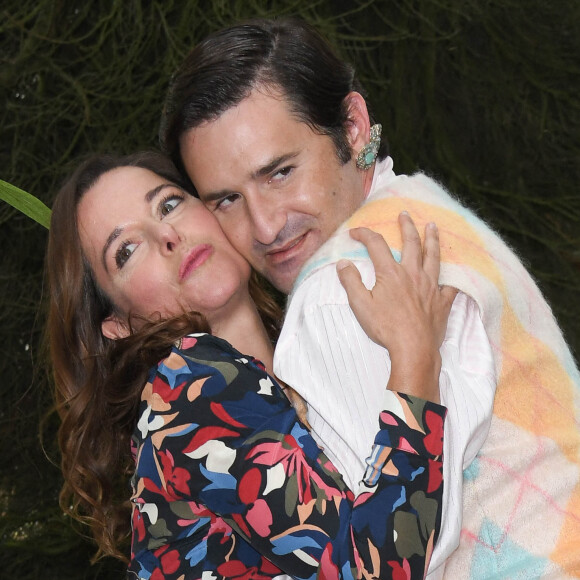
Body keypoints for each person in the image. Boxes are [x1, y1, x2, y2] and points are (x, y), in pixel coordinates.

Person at [160, 17, 580, 578]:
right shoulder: (424, 208)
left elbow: (396, 561)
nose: (264, 226)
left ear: (353, 127)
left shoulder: (339, 291)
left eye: (280, 173)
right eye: (226, 200)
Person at [46, 151, 455, 580]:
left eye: (168, 204)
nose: (167, 234)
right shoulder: (189, 387)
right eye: (126, 250)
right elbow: (375, 570)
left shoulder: (293, 365)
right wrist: (415, 354)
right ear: (117, 326)